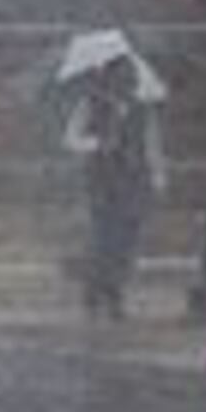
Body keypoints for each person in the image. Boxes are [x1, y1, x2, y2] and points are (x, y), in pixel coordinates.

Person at [59, 37, 163, 324]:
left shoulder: (142, 109)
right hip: (102, 180)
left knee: (127, 239)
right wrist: (96, 144)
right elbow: (70, 139)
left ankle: (115, 290)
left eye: (129, 77)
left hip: (133, 178)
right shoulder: (91, 104)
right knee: (103, 237)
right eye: (121, 75)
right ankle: (97, 291)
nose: (126, 82)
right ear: (109, 76)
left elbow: (152, 143)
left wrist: (157, 175)